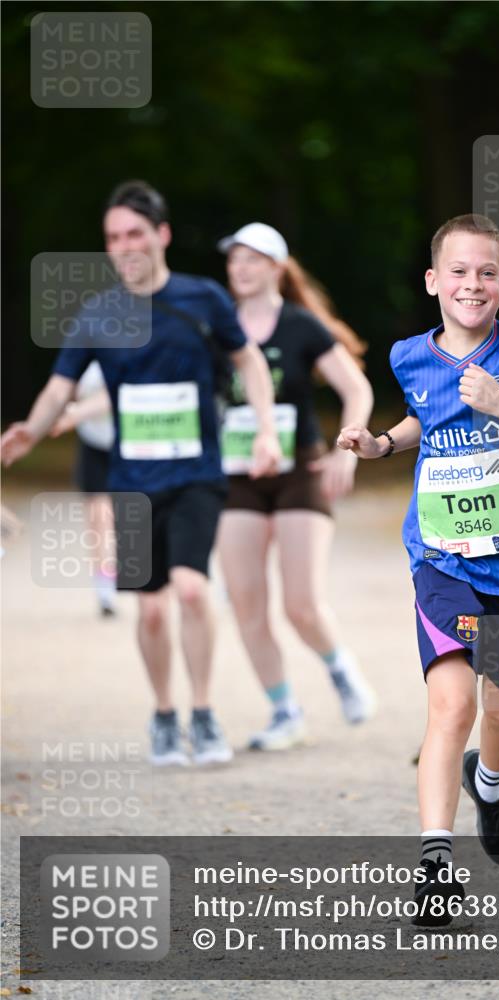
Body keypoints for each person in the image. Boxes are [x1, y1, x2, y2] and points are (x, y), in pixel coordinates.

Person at [337, 214, 499, 925]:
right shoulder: (409, 355)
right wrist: (381, 444)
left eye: (484, 273)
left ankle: (493, 782)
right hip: (442, 559)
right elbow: (425, 417)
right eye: (457, 271)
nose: (469, 284)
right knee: (451, 705)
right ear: (432, 281)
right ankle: (435, 870)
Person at [1, 181, 281, 766]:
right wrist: (31, 427)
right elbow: (61, 385)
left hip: (197, 475)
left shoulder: (202, 298)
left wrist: (262, 429)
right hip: (132, 481)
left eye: (134, 233)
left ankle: (203, 715)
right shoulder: (99, 314)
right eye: (113, 237)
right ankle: (163, 714)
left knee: (192, 587)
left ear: (162, 234)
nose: (124, 246)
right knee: (150, 608)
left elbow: (247, 359)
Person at [216, 223, 376, 750]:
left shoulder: (301, 325)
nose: (240, 268)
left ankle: (339, 668)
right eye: (234, 259)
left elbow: (356, 388)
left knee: (300, 605)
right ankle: (284, 710)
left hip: (298, 473)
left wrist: (344, 451)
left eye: (252, 259)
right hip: (238, 475)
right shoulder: (216, 326)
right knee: (245, 602)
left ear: (277, 268)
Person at [50, 361, 117, 616]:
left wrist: (77, 413)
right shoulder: (83, 353)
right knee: (98, 517)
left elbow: (117, 391)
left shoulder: (135, 348)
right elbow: (64, 389)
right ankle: (104, 587)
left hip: (129, 445)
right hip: (93, 444)